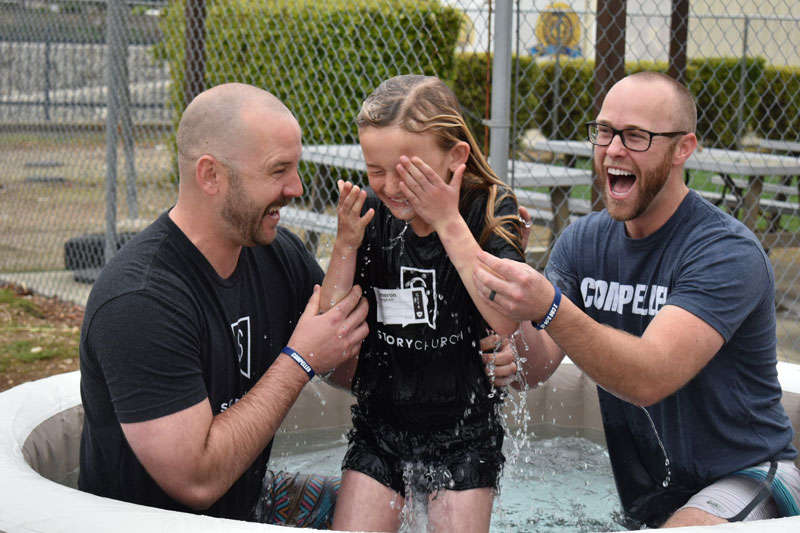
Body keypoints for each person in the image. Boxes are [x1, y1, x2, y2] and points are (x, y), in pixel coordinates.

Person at [472, 71, 800, 528]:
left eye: (636, 136)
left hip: (749, 476)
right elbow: (538, 363)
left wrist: (548, 306)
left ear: (683, 148)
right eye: (604, 131)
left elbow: (649, 377)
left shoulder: (725, 252)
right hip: (653, 494)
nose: (613, 149)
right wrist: (510, 317)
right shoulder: (582, 243)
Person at [78, 82, 369, 527]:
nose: (296, 188)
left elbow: (352, 368)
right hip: (154, 525)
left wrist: (476, 353)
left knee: (387, 508)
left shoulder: (276, 254)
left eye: (296, 168)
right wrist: (300, 359)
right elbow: (197, 481)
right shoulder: (140, 300)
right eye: (278, 171)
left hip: (243, 511)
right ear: (210, 175)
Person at [319, 74, 526, 532]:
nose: (392, 186)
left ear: (455, 157)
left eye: (410, 170)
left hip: (465, 433)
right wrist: (345, 245)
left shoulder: (488, 208)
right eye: (376, 170)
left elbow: (505, 317)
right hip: (380, 427)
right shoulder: (372, 216)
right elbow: (326, 327)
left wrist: (447, 220)